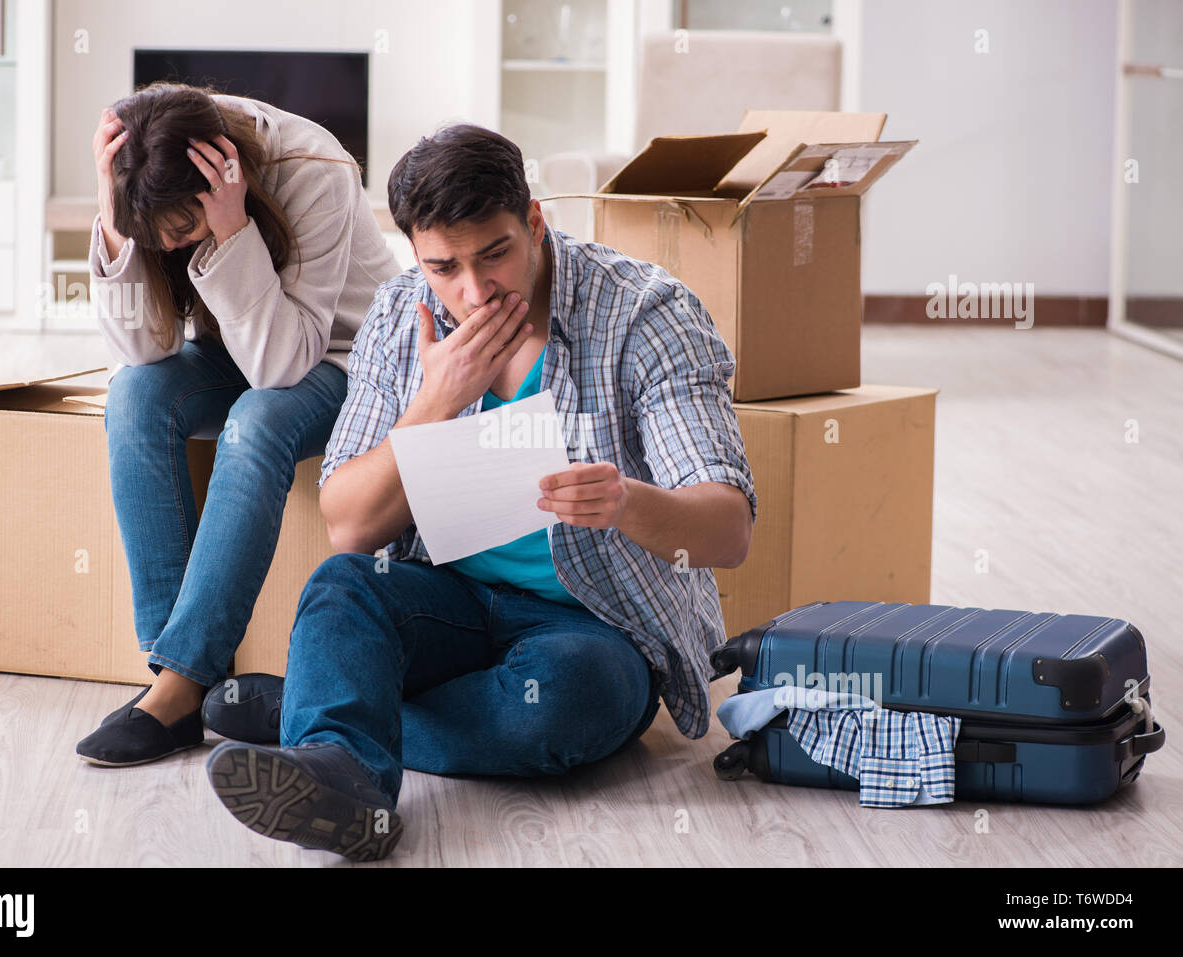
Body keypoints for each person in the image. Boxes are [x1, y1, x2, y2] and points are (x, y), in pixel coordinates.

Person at [202, 125, 757, 861]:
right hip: (448, 604)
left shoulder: (645, 315)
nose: (474, 289)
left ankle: (333, 718)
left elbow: (728, 529)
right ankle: (346, 763)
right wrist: (433, 404)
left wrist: (628, 501)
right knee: (343, 586)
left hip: (592, 626)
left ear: (533, 221)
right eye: (444, 266)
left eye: (494, 252)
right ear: (414, 255)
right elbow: (349, 526)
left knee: (565, 703)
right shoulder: (401, 316)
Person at [76, 82, 399, 766]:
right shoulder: (148, 186)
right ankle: (173, 681)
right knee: (134, 395)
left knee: (256, 419)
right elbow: (143, 351)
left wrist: (231, 230)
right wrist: (113, 214)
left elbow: (284, 365)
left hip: (345, 361)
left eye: (179, 233)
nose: (168, 248)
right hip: (245, 352)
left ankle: (179, 686)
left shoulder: (316, 169)